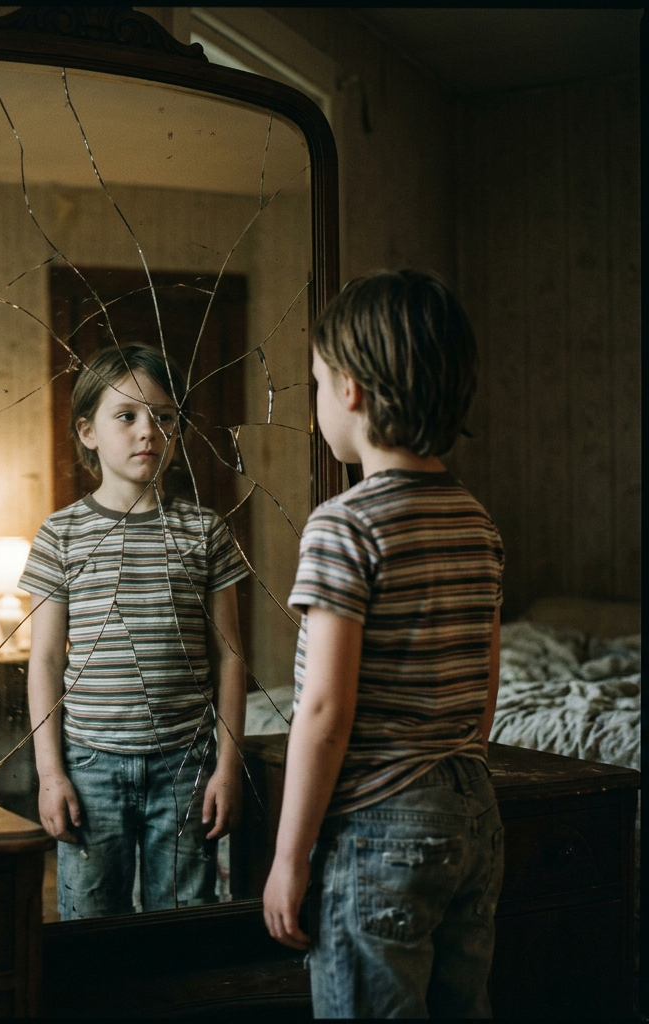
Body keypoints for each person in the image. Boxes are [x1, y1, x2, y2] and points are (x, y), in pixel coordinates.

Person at [263, 270, 505, 1018]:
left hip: (381, 824)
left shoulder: (344, 525)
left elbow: (325, 711)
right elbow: (486, 683)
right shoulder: (475, 520)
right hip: (473, 814)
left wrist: (289, 857)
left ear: (351, 391)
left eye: (316, 382)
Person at [20, 343, 248, 919]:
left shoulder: (205, 531)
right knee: (92, 924)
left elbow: (229, 657)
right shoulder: (60, 534)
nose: (149, 431)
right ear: (88, 432)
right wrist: (50, 774)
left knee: (182, 922)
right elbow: (45, 660)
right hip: (89, 767)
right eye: (127, 416)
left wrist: (227, 766)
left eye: (165, 417)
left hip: (185, 764)